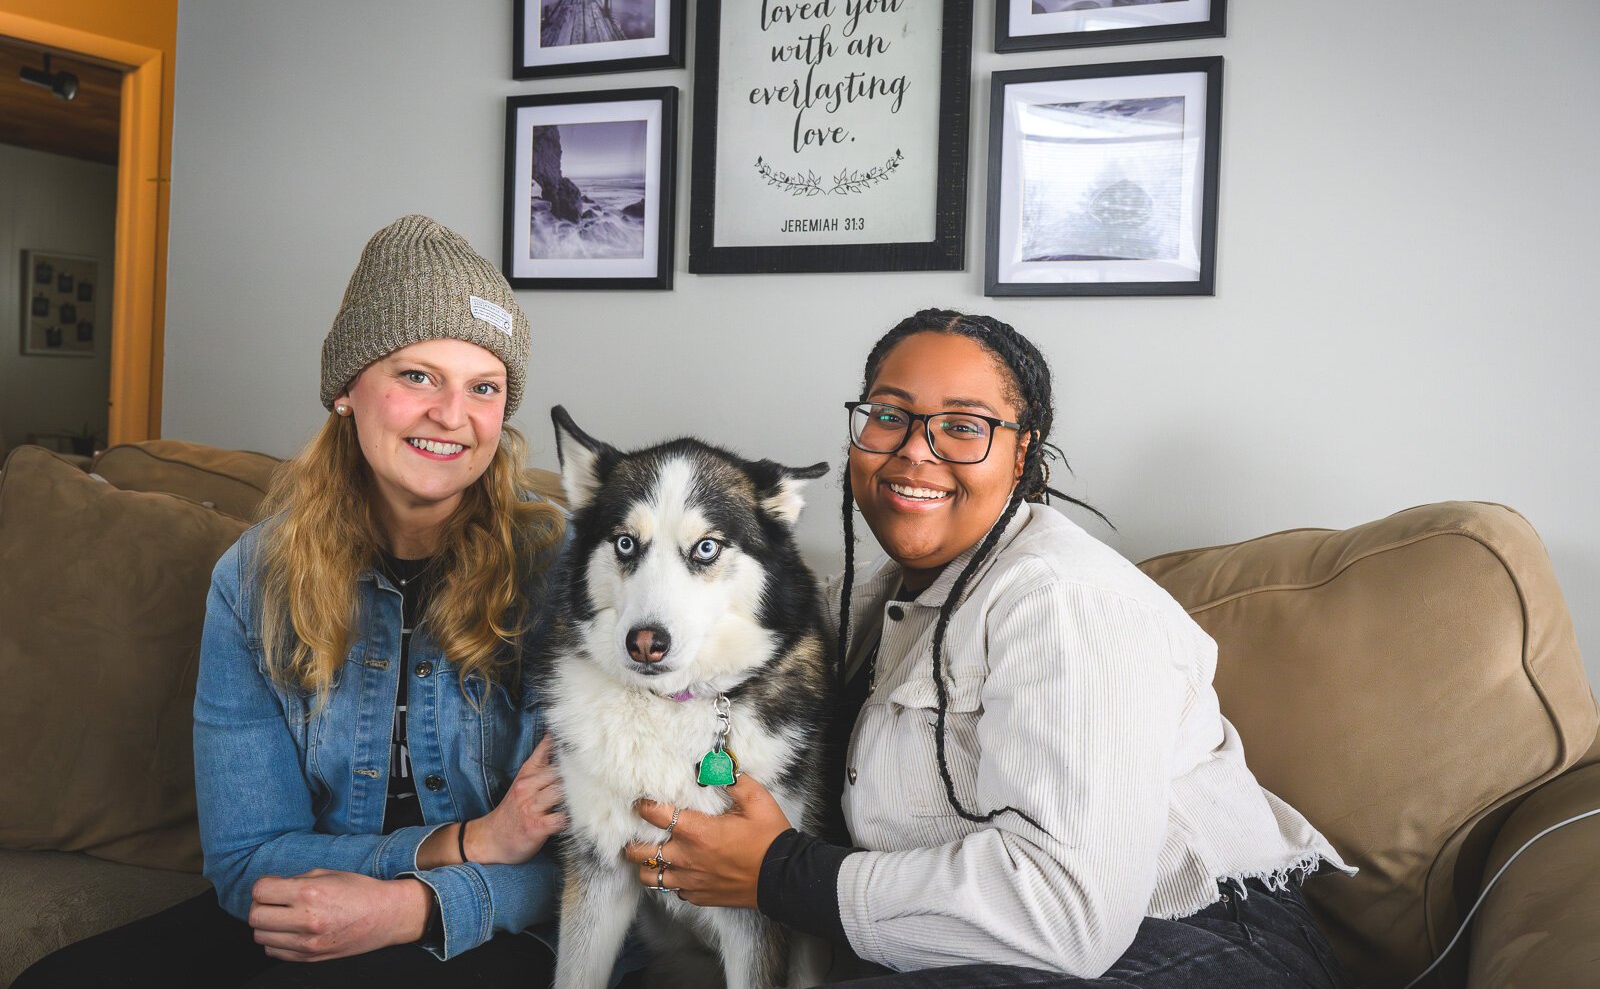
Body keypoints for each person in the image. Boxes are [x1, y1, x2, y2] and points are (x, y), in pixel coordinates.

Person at [622, 308, 1355, 987]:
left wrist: (781, 873)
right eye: (888, 416)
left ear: (1021, 452)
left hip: (1200, 940)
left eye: (964, 427)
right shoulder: (872, 598)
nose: (915, 452)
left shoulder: (1064, 603)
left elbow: (1071, 911)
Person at [18, 215, 570, 987]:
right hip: (360, 888)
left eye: (484, 387)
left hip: (502, 924)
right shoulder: (255, 578)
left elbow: (608, 866)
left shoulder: (565, 573)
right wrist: (465, 840)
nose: (453, 416)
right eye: (418, 376)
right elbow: (248, 857)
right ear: (348, 388)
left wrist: (409, 906)